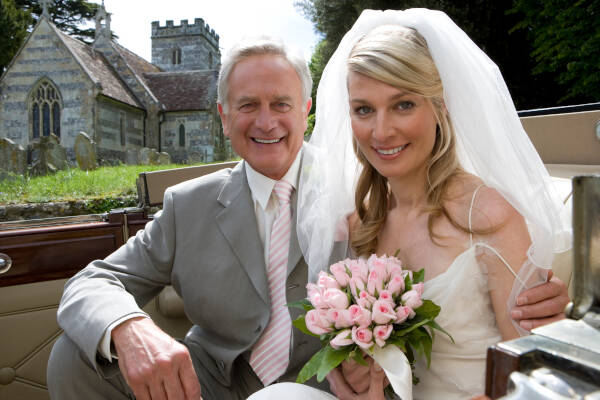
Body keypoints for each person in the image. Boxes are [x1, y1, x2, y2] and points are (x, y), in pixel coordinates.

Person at [47, 33, 568, 400]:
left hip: (320, 388)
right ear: (224, 116)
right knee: (75, 355)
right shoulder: (189, 204)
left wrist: (548, 312)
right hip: (207, 384)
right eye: (247, 105)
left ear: (308, 109)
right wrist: (129, 326)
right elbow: (94, 281)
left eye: (281, 103)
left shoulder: (356, 200)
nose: (266, 121)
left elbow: (517, 336)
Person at [250, 8, 572, 400]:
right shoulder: (360, 221)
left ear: (440, 106)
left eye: (403, 104)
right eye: (364, 109)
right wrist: (349, 373)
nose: (382, 131)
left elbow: (532, 378)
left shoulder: (487, 216)